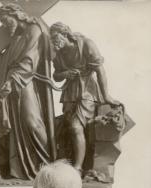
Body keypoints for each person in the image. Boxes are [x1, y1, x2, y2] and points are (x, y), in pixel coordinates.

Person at [0, 3, 56, 180]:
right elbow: (2, 64)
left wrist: (11, 80)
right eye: (2, 22)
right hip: (12, 87)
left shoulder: (34, 30)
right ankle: (19, 171)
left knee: (33, 122)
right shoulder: (16, 38)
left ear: (16, 14)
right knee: (16, 129)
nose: (5, 24)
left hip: (25, 83)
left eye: (5, 20)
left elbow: (29, 61)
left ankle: (45, 166)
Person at [50, 22, 118, 173]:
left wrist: (106, 95)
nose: (54, 41)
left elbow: (100, 70)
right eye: (51, 38)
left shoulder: (86, 44)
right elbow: (56, 75)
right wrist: (65, 74)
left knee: (76, 127)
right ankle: (77, 164)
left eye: (55, 36)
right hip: (69, 93)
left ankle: (78, 168)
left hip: (88, 91)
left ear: (65, 33)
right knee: (70, 129)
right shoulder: (57, 53)